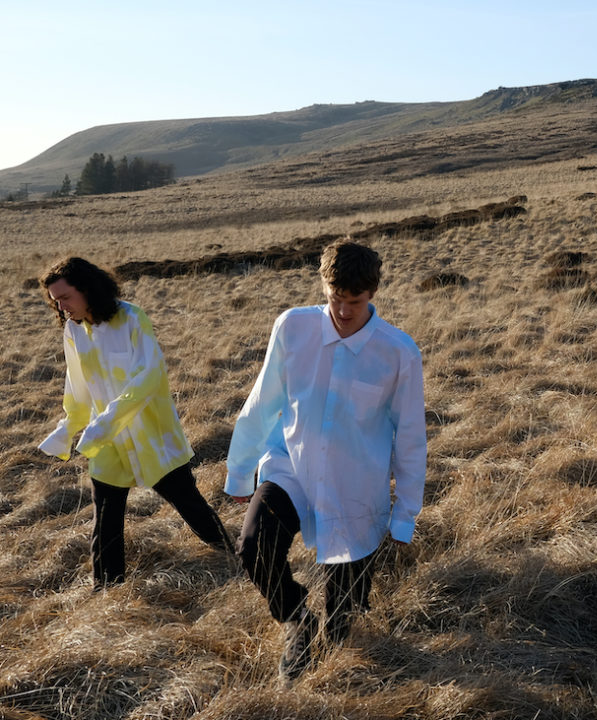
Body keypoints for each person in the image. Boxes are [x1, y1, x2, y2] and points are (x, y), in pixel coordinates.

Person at [224, 239, 427, 682]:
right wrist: (239, 471)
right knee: (254, 548)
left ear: (372, 293)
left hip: (356, 488)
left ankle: (330, 654)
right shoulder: (293, 327)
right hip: (290, 467)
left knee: (342, 620)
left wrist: (405, 514)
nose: (343, 311)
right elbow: (263, 400)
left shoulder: (398, 353)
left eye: (354, 301)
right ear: (323, 286)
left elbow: (411, 438)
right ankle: (296, 618)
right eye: (335, 298)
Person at [37, 257, 233, 590]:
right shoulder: (73, 331)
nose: (61, 307)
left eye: (65, 297)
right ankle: (107, 589)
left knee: (189, 504)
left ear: (87, 289)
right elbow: (77, 385)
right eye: (55, 301)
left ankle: (238, 555)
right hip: (108, 441)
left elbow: (149, 376)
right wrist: (69, 426)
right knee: (106, 516)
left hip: (152, 435)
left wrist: (107, 421)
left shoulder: (131, 318)